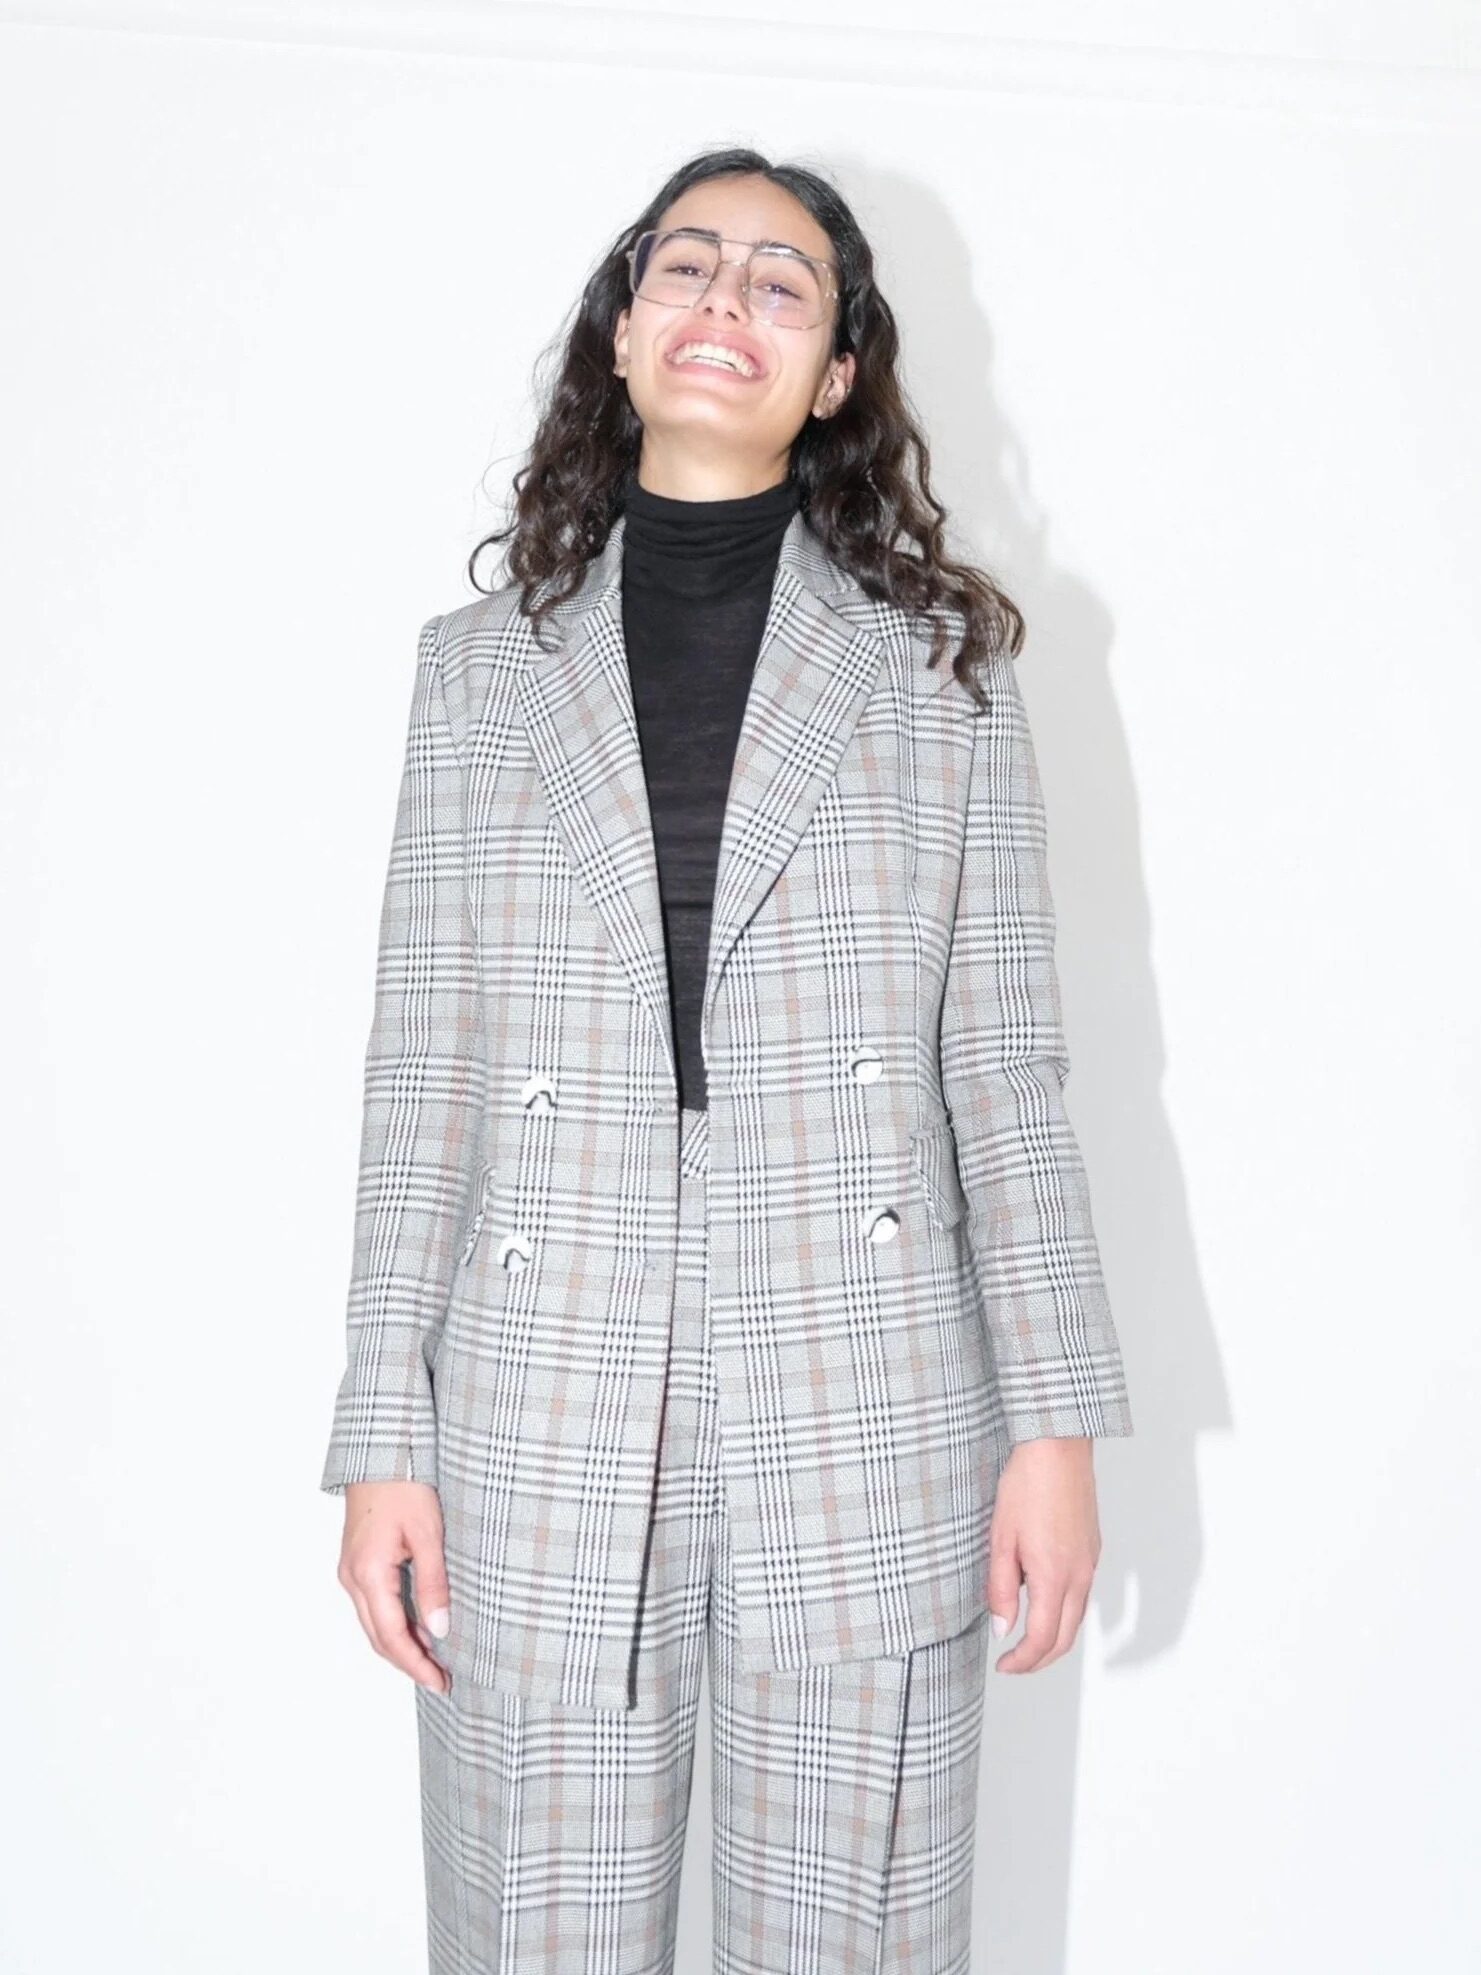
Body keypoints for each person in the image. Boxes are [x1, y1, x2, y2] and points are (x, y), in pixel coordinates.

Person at [320, 145, 1134, 1972]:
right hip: (533, 1422)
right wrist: (384, 1434)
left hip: (869, 1415)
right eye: (685, 268)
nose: (723, 303)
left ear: (836, 374)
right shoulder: (476, 675)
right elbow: (418, 1068)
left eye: (781, 284)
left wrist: (1054, 1425)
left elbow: (1005, 1073)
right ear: (621, 333)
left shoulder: (941, 674)